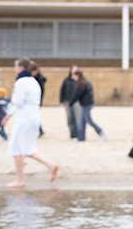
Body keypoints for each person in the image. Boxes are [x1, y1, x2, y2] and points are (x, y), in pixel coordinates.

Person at [6, 57, 59, 188]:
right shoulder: (33, 81)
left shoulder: (21, 82)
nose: (14, 69)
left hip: (24, 117)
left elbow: (17, 101)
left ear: (21, 68)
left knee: (16, 148)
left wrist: (7, 114)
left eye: (16, 67)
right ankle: (50, 165)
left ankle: (20, 180)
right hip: (33, 116)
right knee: (26, 147)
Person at [72, 70, 106, 141]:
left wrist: (71, 103)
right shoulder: (85, 82)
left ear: (77, 76)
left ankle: (100, 132)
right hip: (86, 104)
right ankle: (81, 137)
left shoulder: (82, 84)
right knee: (82, 121)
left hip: (86, 105)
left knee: (88, 120)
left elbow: (77, 95)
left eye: (74, 75)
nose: (73, 77)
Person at [59, 65, 80, 140]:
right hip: (68, 101)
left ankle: (79, 134)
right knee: (70, 119)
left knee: (78, 118)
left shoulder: (80, 79)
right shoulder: (67, 80)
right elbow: (62, 90)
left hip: (77, 102)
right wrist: (62, 100)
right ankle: (72, 134)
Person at [31, 63, 47, 137]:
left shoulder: (39, 79)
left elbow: (41, 91)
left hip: (36, 100)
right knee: (33, 116)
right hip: (35, 100)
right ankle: (39, 130)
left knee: (34, 116)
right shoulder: (33, 78)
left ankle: (39, 130)